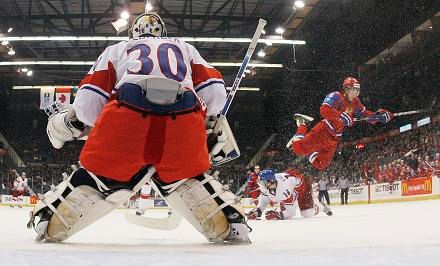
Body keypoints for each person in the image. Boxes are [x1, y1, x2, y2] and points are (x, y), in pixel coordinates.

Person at [27, 13, 249, 244]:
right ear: (162, 32)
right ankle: (228, 218)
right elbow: (215, 96)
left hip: (127, 121)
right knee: (183, 174)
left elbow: (87, 105)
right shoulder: (186, 49)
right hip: (182, 124)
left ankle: (56, 212)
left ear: (133, 32)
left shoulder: (117, 49)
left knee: (99, 174)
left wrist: (86, 126)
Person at [286, 77, 394, 171]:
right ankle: (303, 124)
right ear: (346, 89)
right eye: (354, 89)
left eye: (358, 90)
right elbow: (324, 110)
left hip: (334, 139)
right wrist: (340, 115)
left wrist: (379, 117)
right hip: (323, 130)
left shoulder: (355, 101)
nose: (356, 93)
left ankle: (309, 151)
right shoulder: (336, 96)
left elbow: (365, 115)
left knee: (321, 164)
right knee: (298, 150)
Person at [247, 169, 332, 220]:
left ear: (271, 181)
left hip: (302, 187)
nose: (261, 184)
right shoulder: (267, 185)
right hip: (292, 185)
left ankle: (320, 206)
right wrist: (258, 210)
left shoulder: (284, 188)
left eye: (263, 182)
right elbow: (265, 199)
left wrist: (280, 215)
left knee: (307, 213)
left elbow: (291, 213)